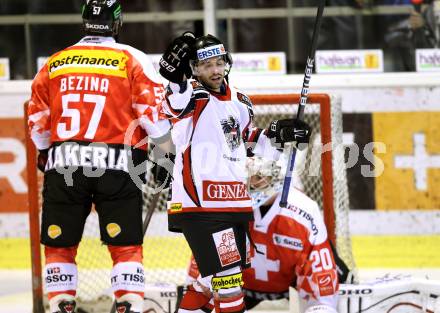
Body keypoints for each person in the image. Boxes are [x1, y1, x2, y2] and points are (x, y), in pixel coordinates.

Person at [27, 1, 171, 312]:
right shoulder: (131, 59)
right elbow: (152, 114)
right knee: (125, 243)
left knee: (59, 243)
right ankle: (129, 302)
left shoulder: (55, 62)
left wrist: (44, 151)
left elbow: (37, 117)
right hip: (119, 163)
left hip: (64, 162)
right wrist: (165, 153)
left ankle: (61, 303)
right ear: (117, 24)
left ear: (84, 24)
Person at [158, 33, 312, 313]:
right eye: (206, 65)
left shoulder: (240, 101)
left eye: (219, 63)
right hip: (202, 206)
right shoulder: (192, 96)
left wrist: (278, 134)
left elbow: (247, 142)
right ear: (194, 68)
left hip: (234, 203)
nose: (215, 70)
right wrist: (175, 78)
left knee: (208, 281)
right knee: (229, 285)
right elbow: (175, 103)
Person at [177, 157, 347, 313]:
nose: (248, 183)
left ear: (276, 177)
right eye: (245, 176)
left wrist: (321, 304)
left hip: (289, 283)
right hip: (237, 286)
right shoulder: (226, 204)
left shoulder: (304, 211)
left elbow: (321, 292)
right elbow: (204, 269)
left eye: (257, 177)